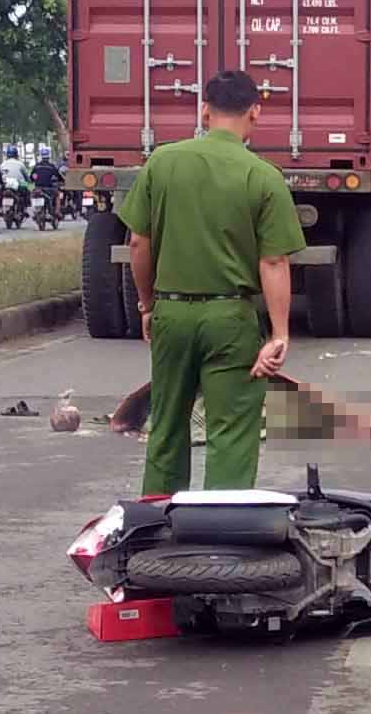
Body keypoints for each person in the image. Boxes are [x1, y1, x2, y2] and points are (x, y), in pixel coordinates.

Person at [120, 71, 304, 494]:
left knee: (166, 424)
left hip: (171, 314)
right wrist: (279, 334)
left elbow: (137, 243)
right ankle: (223, 533)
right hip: (229, 318)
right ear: (255, 112)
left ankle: (155, 522)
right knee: (232, 432)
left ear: (204, 108)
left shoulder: (162, 163)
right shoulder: (262, 176)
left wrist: (148, 306)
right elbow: (274, 261)